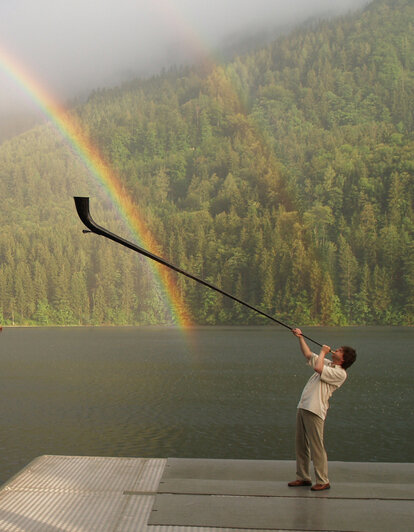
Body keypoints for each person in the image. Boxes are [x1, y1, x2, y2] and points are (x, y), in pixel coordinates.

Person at [288, 327, 356, 491]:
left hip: (315, 409)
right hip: (304, 406)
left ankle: (323, 480)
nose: (336, 349)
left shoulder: (340, 373)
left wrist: (323, 352)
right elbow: (309, 355)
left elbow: (318, 368)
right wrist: (300, 337)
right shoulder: (328, 363)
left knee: (316, 445)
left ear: (343, 359)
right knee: (301, 444)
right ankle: (303, 477)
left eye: (340, 351)